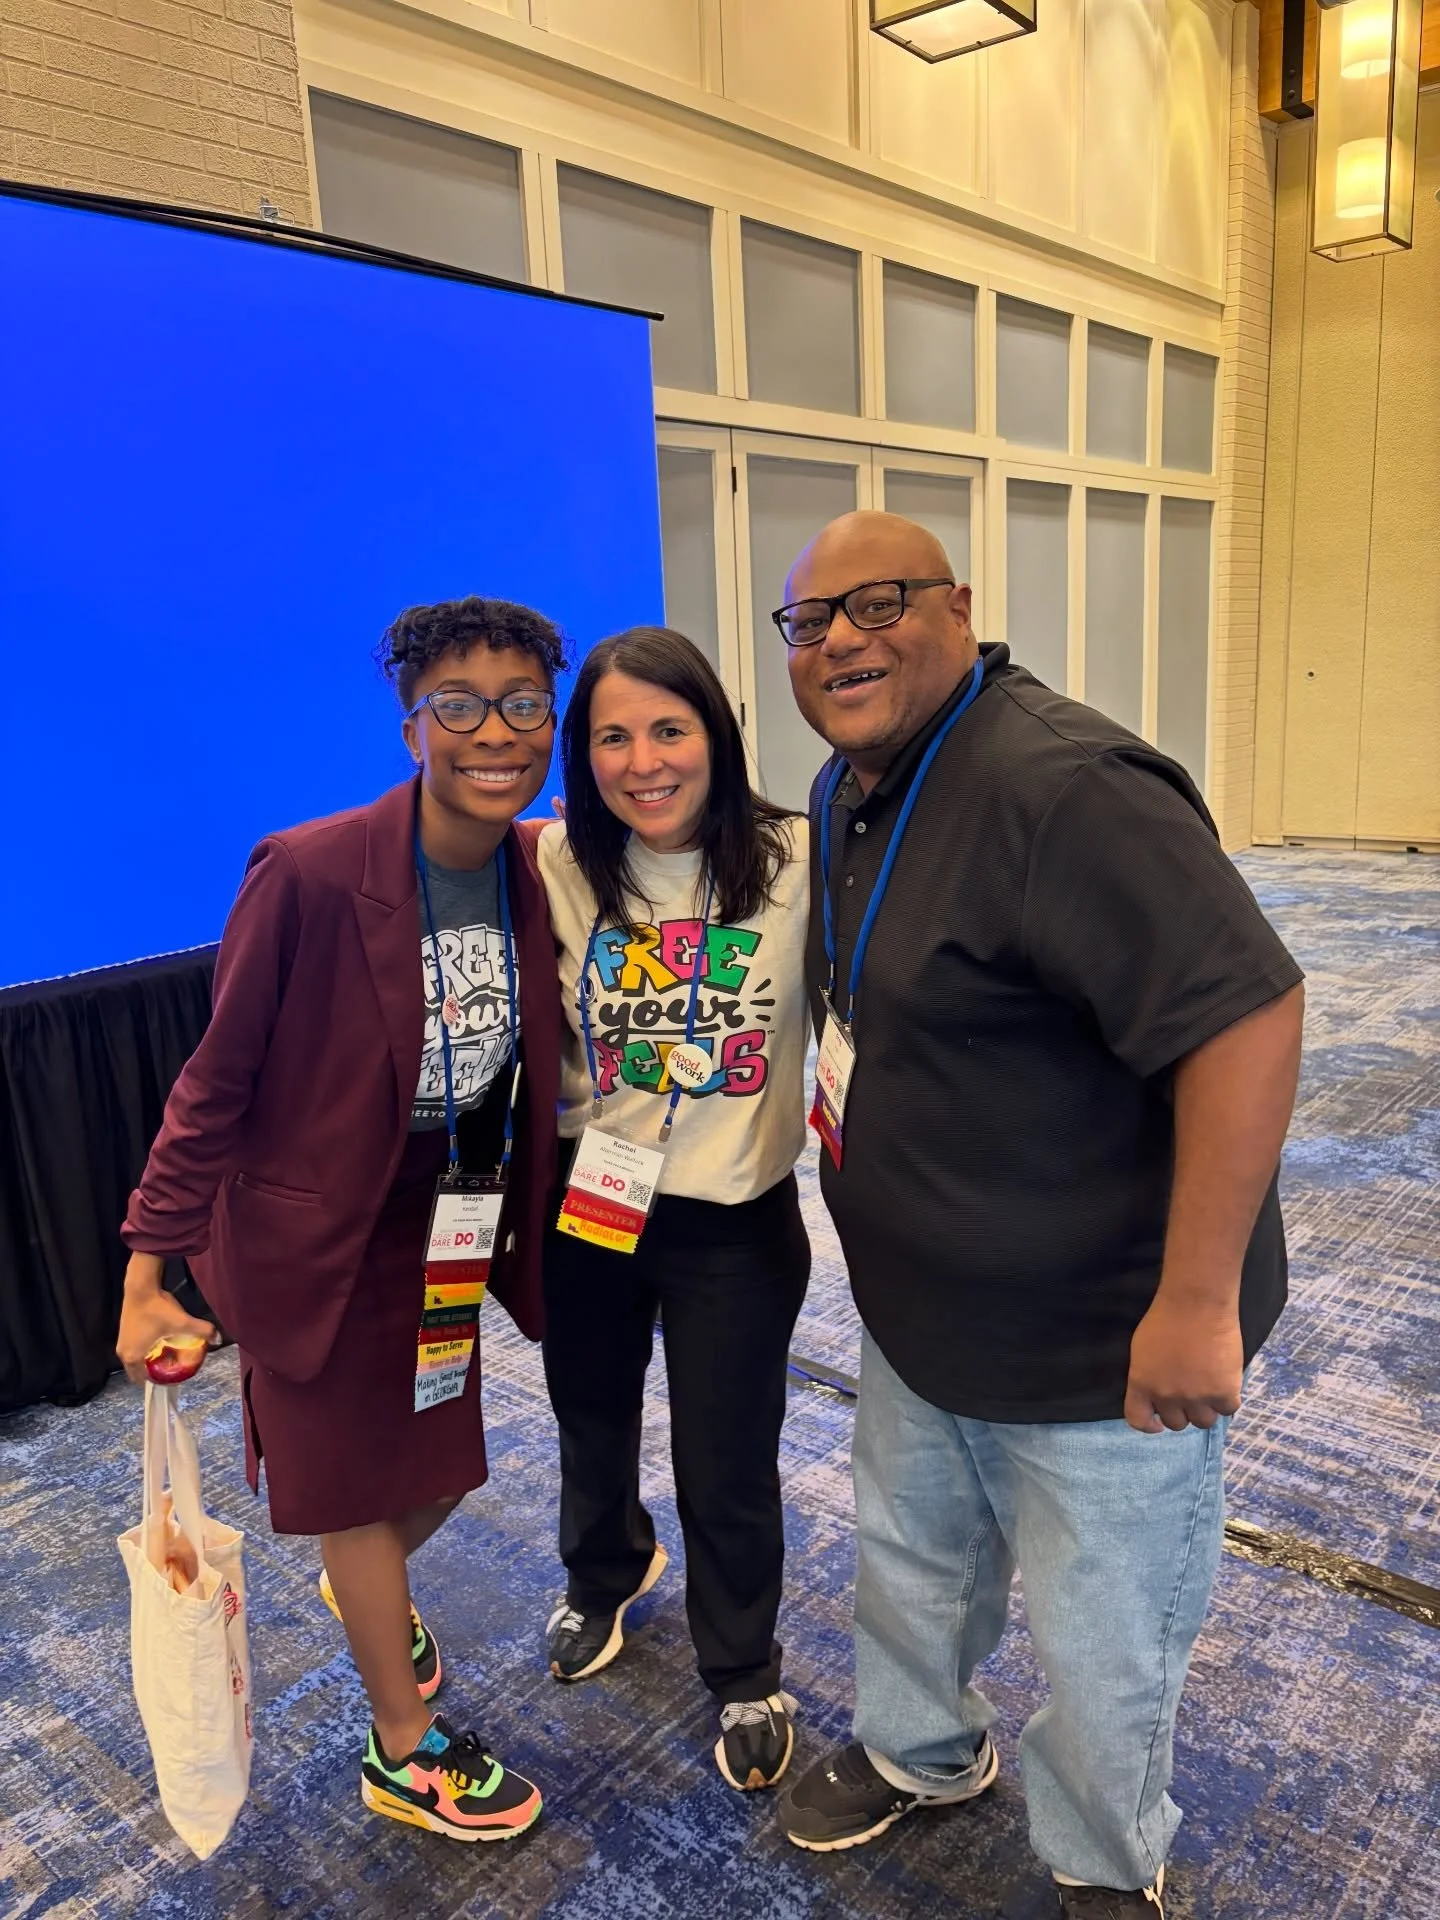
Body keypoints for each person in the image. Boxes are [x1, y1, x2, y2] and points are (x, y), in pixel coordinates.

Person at [769, 514, 1305, 1918]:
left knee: (1106, 1634)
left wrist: (1194, 1305)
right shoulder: (851, 783)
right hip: (924, 1309)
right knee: (912, 1562)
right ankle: (921, 1752)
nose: (839, 640)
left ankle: (1101, 1861)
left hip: (1101, 1344)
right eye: (809, 622)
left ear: (957, 607)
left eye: (875, 604)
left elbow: (1247, 1016)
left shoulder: (1064, 788)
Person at [116, 595, 566, 1844]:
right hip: (315, 1236)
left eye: (525, 705)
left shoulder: (534, 868)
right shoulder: (309, 871)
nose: (496, 733)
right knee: (354, 1490)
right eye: (460, 706)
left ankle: (362, 1582)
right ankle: (403, 1747)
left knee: (439, 1461)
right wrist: (151, 1265)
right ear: (413, 722)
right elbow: (217, 1078)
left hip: (452, 1217)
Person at [533, 625, 812, 1792]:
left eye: (668, 729)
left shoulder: (798, 858)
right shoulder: (556, 862)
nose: (643, 760)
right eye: (611, 736)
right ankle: (604, 1576)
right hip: (599, 1197)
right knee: (589, 1414)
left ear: (715, 733)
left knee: (726, 1454)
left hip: (734, 1218)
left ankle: (743, 1669)